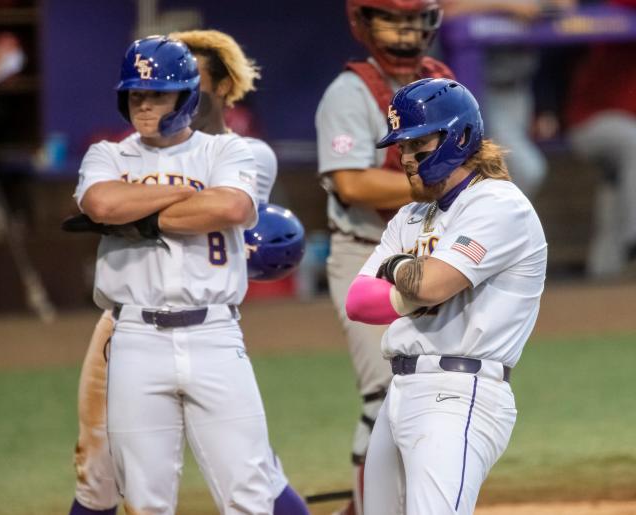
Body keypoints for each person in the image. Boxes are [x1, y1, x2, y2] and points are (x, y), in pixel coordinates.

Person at [69, 34, 300, 515]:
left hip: (215, 332)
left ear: (187, 96)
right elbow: (103, 203)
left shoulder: (229, 153)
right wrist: (190, 196)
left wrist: (142, 217)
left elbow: (233, 205)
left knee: (250, 489)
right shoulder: (108, 156)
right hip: (133, 336)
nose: (144, 104)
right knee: (144, 499)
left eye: (157, 94)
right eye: (136, 94)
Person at [344, 78, 547, 514]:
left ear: (460, 137)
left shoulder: (497, 204)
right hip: (399, 391)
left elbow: (432, 284)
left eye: (419, 143)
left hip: (458, 394)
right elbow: (358, 302)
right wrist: (414, 290)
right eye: (401, 147)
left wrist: (399, 271)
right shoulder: (411, 215)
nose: (407, 158)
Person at [315, 1, 451, 513]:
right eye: (394, 20)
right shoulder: (348, 94)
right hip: (368, 254)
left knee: (431, 384)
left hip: (431, 255)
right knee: (385, 395)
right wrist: (443, 182)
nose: (406, 34)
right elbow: (351, 181)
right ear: (365, 24)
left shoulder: (441, 80)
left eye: (415, 21)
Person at [442, 0, 577, 198]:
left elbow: (566, 5)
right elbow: (446, 10)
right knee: (526, 170)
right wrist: (505, 5)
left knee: (504, 174)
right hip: (479, 91)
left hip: (521, 89)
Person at [565, 0, 636, 278]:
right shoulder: (616, 13)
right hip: (592, 122)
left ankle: (603, 274)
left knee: (615, 191)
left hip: (623, 130)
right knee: (634, 143)